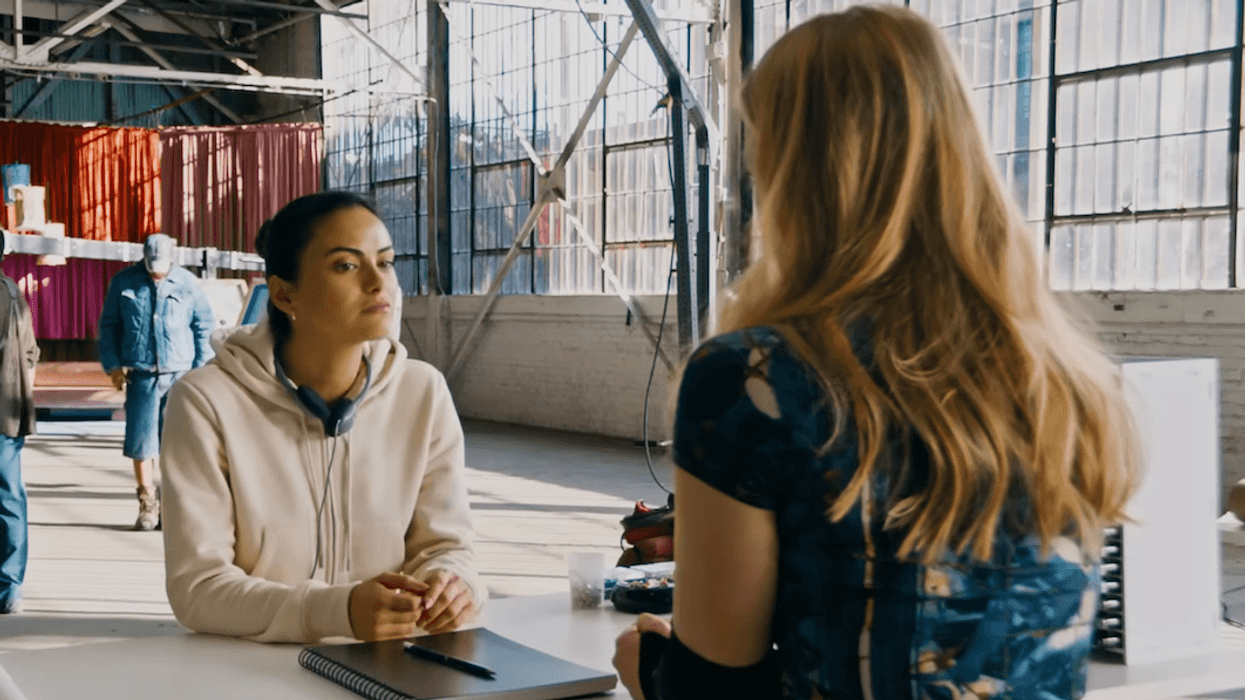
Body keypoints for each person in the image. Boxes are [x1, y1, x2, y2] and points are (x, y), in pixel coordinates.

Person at [613, 7, 1139, 700]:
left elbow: (718, 691)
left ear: (795, 169)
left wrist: (647, 666)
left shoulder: (753, 381)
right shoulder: (1072, 382)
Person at [159, 191, 482, 643]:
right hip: (250, 674)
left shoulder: (422, 393)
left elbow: (446, 547)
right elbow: (198, 588)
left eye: (385, 262)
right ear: (285, 295)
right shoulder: (205, 402)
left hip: (395, 667)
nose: (378, 283)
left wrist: (454, 584)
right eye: (346, 266)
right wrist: (336, 611)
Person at [98, 233, 215, 531]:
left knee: (178, 443)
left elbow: (203, 326)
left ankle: (174, 503)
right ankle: (147, 502)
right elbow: (109, 327)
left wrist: (200, 369)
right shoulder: (124, 282)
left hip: (180, 375)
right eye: (152, 267)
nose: (157, 273)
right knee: (142, 442)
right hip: (142, 375)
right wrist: (113, 366)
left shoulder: (187, 283)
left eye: (161, 267)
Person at [0, 232, 39, 615]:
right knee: (9, 499)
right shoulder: (13, 292)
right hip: (8, 413)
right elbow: (30, 351)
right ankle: (10, 587)